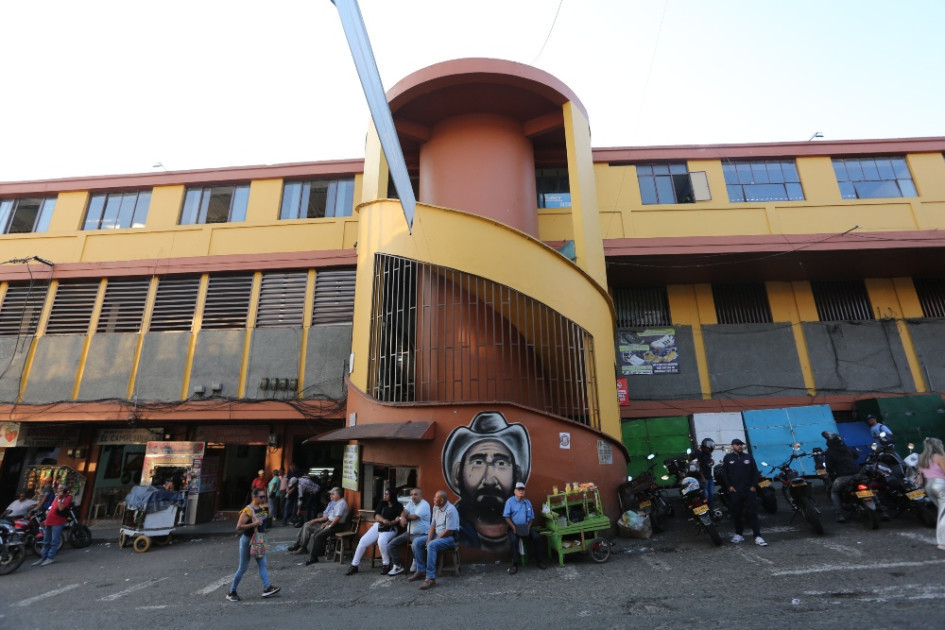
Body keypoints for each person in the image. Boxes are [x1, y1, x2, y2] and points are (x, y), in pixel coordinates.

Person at [442, 411, 531, 552]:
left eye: (501, 463)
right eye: (478, 462)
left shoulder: (521, 507)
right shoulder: (455, 523)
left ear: (517, 475)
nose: (489, 480)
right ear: (458, 474)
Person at [226, 489, 280, 602]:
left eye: (264, 496)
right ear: (254, 497)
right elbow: (238, 526)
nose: (263, 499)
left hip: (258, 540)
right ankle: (232, 591)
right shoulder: (247, 510)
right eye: (261, 497)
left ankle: (267, 587)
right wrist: (254, 524)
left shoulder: (261, 508)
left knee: (263, 564)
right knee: (243, 567)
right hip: (248, 540)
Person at [721, 439, 767, 547]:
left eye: (741, 444)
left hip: (748, 490)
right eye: (737, 445)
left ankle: (757, 536)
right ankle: (739, 534)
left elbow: (755, 472)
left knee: (752, 513)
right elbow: (724, 474)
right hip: (735, 491)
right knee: (737, 513)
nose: (739, 446)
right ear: (732, 446)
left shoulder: (748, 457)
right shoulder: (728, 458)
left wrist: (753, 486)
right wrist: (729, 487)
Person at [409, 490, 459, 591]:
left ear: (442, 500)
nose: (433, 499)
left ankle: (430, 578)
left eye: (436, 498)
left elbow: (449, 531)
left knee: (432, 545)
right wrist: (428, 539)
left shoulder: (451, 510)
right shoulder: (436, 507)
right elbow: (433, 525)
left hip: (450, 538)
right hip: (438, 534)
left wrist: (434, 540)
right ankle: (421, 570)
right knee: (417, 542)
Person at [346, 489, 403, 575]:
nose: (385, 495)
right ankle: (354, 565)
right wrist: (383, 520)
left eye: (387, 494)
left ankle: (386, 564)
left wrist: (391, 522)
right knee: (363, 541)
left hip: (391, 528)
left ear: (392, 495)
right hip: (379, 525)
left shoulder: (398, 506)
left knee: (381, 541)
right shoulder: (382, 503)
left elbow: (398, 519)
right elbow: (376, 514)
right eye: (385, 494)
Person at [502, 481, 546, 573]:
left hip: (526, 527)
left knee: (537, 538)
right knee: (514, 541)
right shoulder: (510, 502)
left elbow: (531, 518)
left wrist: (528, 527)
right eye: (519, 489)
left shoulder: (527, 502)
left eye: (522, 489)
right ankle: (515, 565)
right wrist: (513, 527)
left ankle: (539, 561)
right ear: (515, 491)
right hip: (514, 527)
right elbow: (506, 516)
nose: (521, 491)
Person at [387, 487, 431, 576]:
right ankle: (397, 566)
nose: (413, 496)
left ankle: (416, 562)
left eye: (415, 494)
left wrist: (400, 518)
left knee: (415, 545)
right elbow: (404, 511)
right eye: (411, 494)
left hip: (421, 534)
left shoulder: (424, 505)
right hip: (409, 533)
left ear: (421, 495)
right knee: (391, 545)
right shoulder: (411, 502)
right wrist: (402, 517)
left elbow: (414, 517)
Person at [304, 487, 348, 565]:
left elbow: (337, 518)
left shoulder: (342, 503)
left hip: (337, 526)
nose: (331, 496)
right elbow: (332, 516)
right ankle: (318, 553)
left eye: (333, 494)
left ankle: (314, 557)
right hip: (332, 523)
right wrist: (326, 523)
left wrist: (330, 526)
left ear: (338, 495)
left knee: (319, 535)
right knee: (317, 532)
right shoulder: (338, 502)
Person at [915, 437, 945, 551]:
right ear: (938, 446)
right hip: (941, 485)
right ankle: (942, 542)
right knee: (943, 515)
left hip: (929, 486)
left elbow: (920, 473)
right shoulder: (939, 457)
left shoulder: (922, 458)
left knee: (941, 512)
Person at [823, 432, 860, 522]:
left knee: (834, 492)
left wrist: (830, 472)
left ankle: (839, 514)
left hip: (843, 476)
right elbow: (856, 456)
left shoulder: (829, 452)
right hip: (857, 474)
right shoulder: (846, 448)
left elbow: (829, 467)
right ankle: (881, 508)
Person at [32, 483, 72, 567]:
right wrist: (45, 520)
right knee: (46, 541)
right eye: (58, 489)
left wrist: (59, 498)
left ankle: (50, 557)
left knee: (54, 541)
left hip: (58, 522)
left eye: (60, 490)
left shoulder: (67, 498)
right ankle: (43, 558)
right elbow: (51, 509)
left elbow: (61, 508)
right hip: (49, 521)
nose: (58, 491)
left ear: (65, 491)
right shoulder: (56, 498)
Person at [694, 438, 716, 510]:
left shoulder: (708, 453)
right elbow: (698, 465)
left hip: (709, 477)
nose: (711, 447)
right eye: (709, 445)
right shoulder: (699, 453)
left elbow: (708, 461)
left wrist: (712, 461)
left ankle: (711, 510)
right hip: (704, 478)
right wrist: (702, 477)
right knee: (705, 496)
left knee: (711, 495)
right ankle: (705, 511)